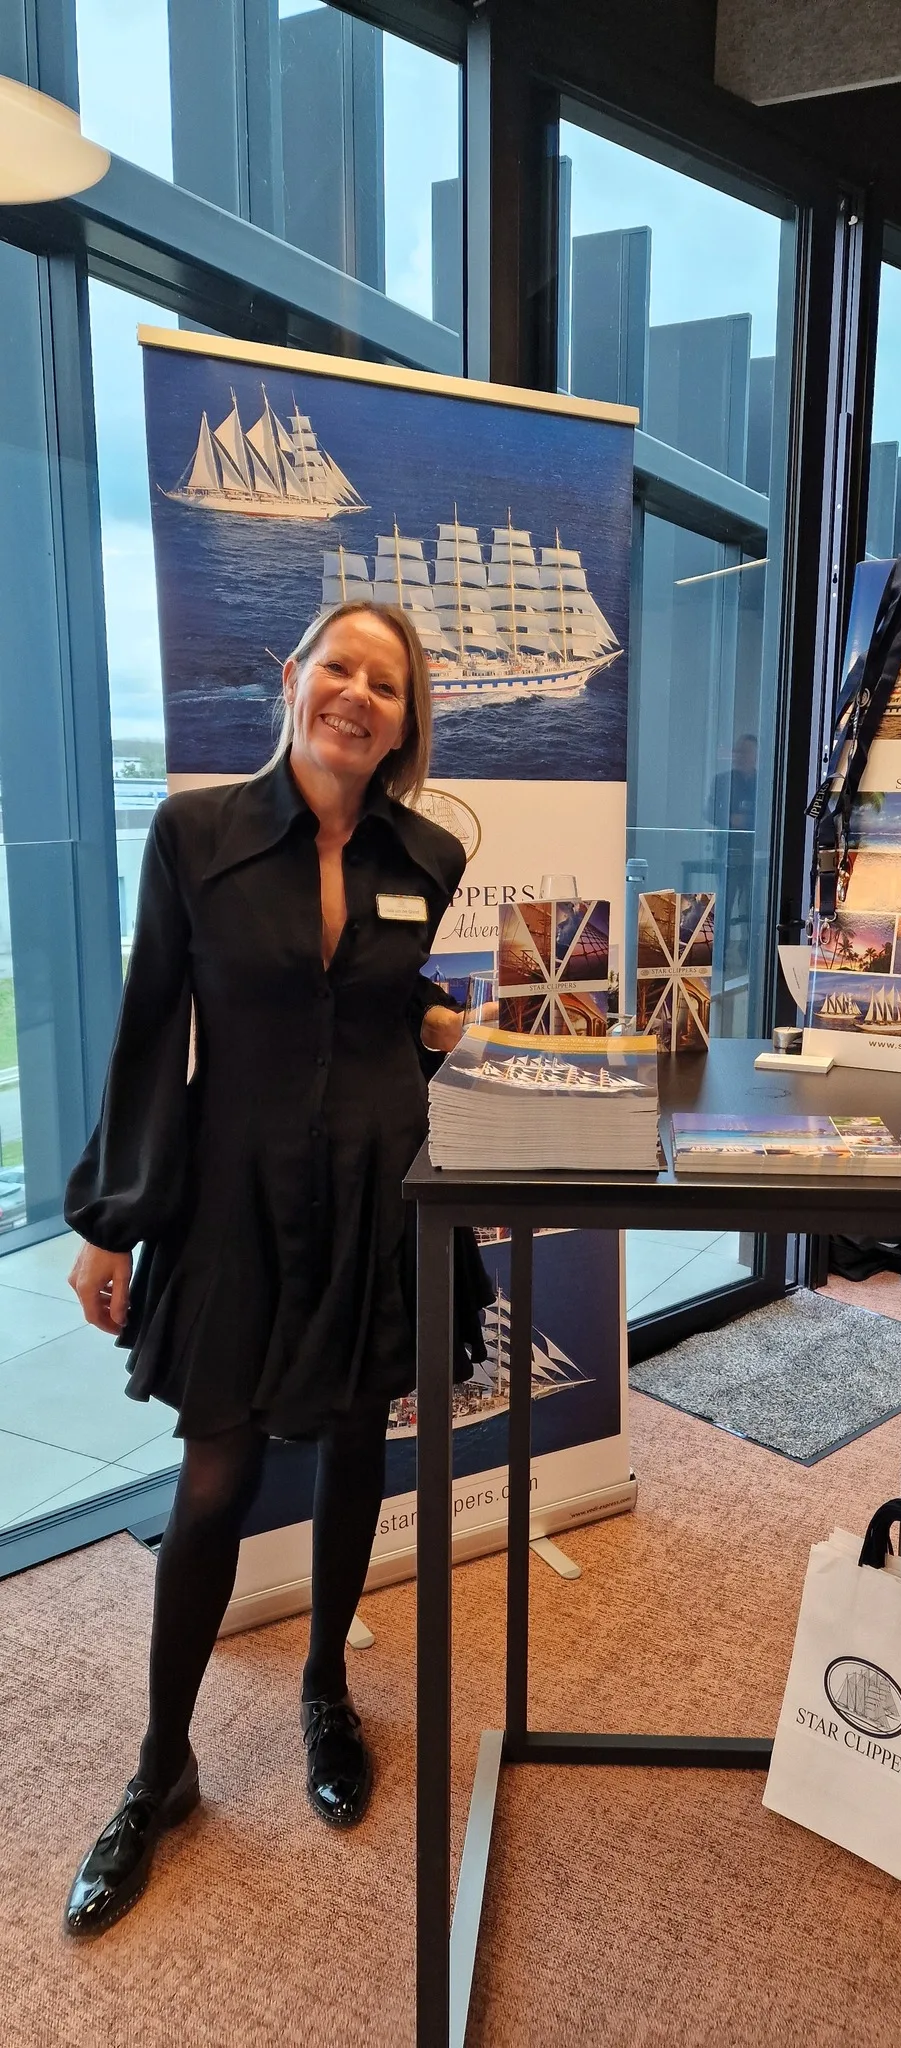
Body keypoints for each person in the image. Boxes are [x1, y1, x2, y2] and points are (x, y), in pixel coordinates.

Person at [62, 601, 481, 1937]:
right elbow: (151, 1031)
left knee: (358, 1442)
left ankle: (324, 1692)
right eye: (338, 668)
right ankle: (160, 1769)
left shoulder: (429, 855)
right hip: (235, 1194)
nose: (357, 694)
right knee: (216, 1477)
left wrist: (433, 1021)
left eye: (386, 684)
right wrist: (112, 1218)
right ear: (294, 681)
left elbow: (373, 1009)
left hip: (376, 1189)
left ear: (406, 724)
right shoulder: (194, 835)